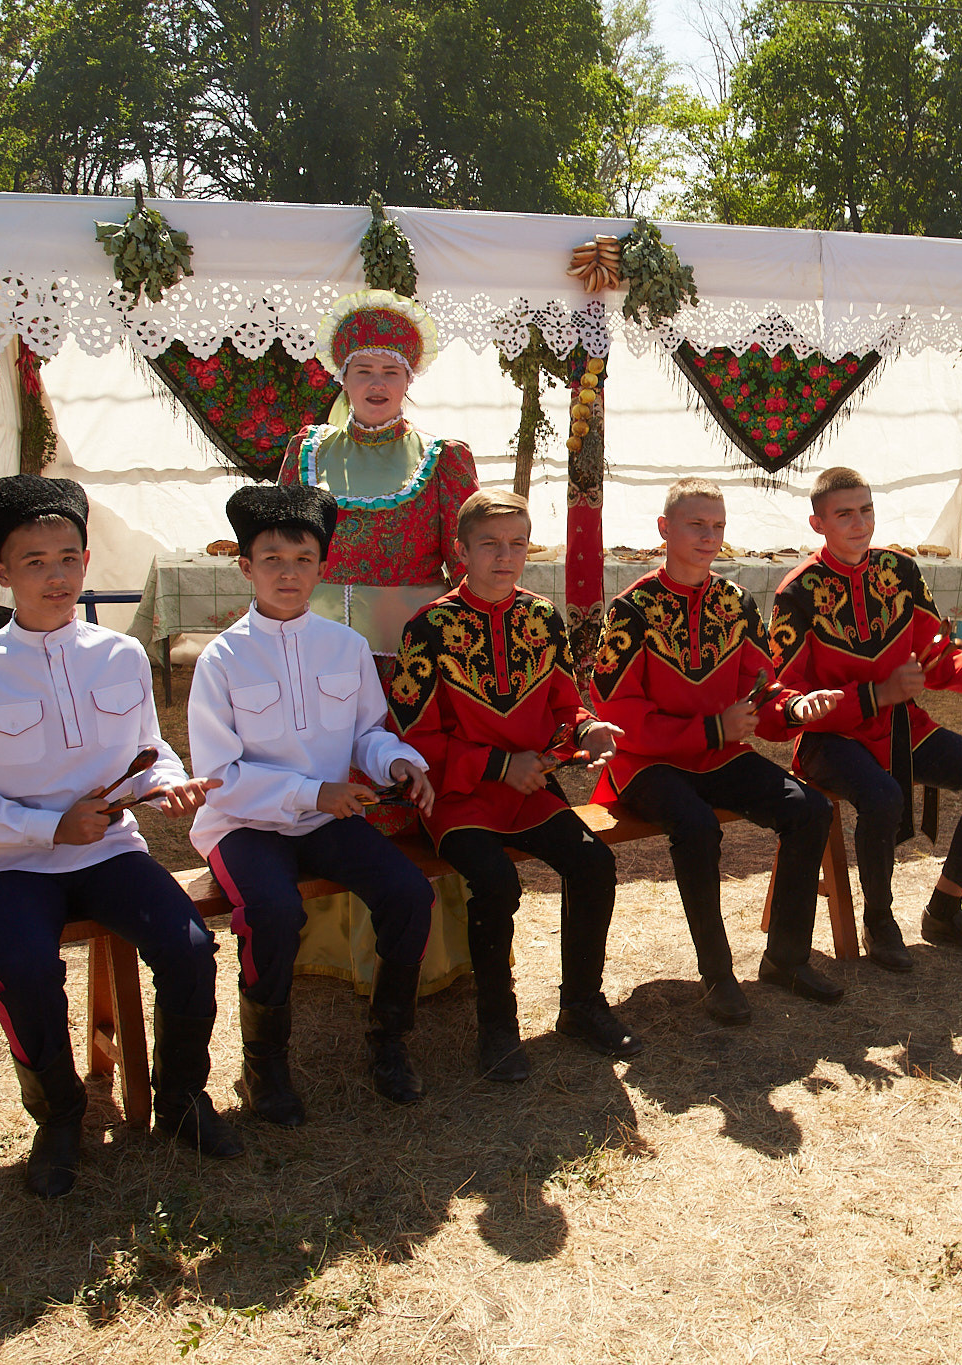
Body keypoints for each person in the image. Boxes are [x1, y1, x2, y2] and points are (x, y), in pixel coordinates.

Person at [0, 476, 240, 1198]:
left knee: (190, 948)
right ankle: (60, 1114)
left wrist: (168, 781)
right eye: (34, 562)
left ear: (86, 561)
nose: (56, 575)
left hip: (107, 850)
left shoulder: (119, 656)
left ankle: (184, 1098)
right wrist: (44, 826)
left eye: (68, 557)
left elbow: (149, 750)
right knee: (28, 972)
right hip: (10, 864)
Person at [186, 484, 438, 1125]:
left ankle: (390, 1042)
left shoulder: (344, 646)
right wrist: (313, 791)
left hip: (325, 819)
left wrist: (400, 761)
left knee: (408, 892)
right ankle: (264, 1064)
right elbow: (218, 775)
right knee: (272, 911)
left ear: (323, 566)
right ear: (245, 567)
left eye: (303, 559)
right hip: (245, 823)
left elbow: (367, 733)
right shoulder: (222, 658)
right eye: (271, 559)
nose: (288, 573)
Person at [388, 489, 637, 1080]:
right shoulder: (428, 627)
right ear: (461, 551)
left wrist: (590, 725)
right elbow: (413, 739)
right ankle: (497, 1028)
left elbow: (562, 704)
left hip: (529, 792)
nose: (506, 556)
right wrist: (500, 765)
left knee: (595, 865)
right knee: (496, 883)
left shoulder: (541, 616)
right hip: (456, 797)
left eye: (517, 544)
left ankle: (581, 1005)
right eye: (490, 544)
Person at [770, 467, 962, 971]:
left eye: (866, 510)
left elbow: (937, 658)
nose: (859, 523)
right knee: (883, 796)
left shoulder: (899, 572)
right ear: (818, 524)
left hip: (902, 728)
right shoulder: (798, 592)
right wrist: (872, 695)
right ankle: (880, 921)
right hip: (829, 738)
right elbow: (784, 697)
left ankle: (945, 909)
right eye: (844, 514)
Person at [278, 288, 481, 998]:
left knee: (404, 784)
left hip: (413, 664)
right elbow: (285, 551)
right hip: (323, 655)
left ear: (409, 381)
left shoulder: (445, 459)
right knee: (334, 783)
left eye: (389, 371)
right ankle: (329, 941)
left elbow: (466, 568)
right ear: (341, 376)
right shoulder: (305, 453)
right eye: (362, 369)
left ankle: (417, 950)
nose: (375, 383)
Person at [590, 479, 848, 1025]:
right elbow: (618, 717)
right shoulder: (631, 609)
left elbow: (763, 690)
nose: (710, 537)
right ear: (665, 530)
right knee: (697, 825)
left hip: (717, 755)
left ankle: (786, 958)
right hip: (645, 765)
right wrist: (712, 729)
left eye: (718, 526)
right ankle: (718, 973)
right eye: (696, 525)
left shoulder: (736, 603)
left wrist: (795, 709)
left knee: (811, 809)